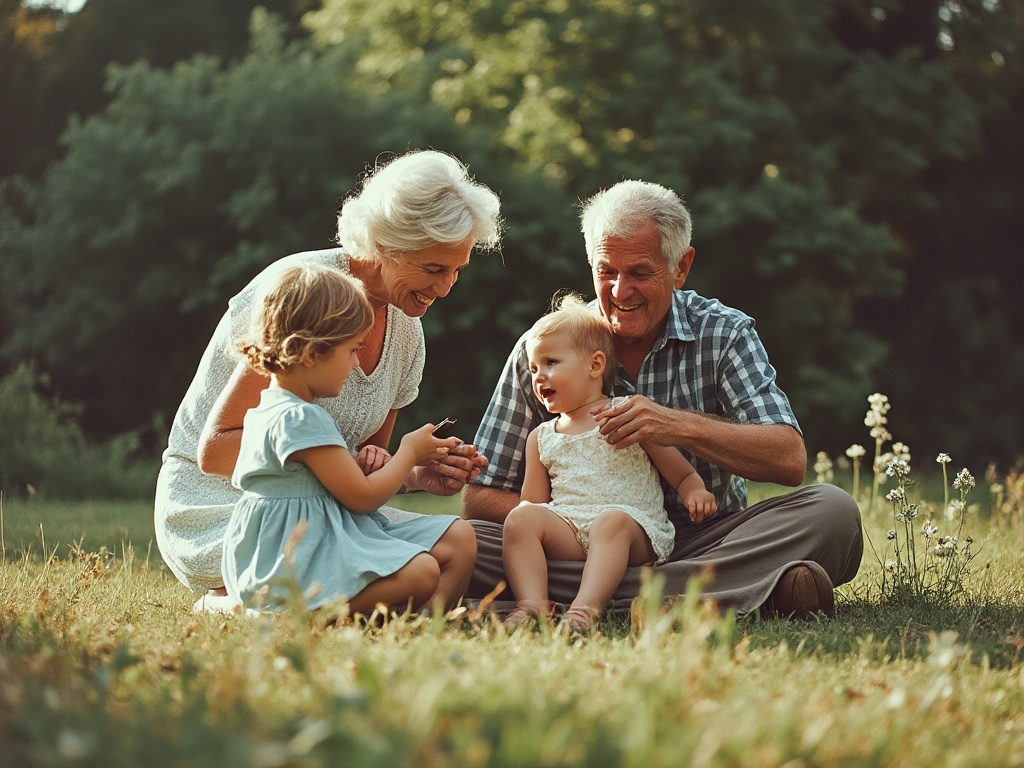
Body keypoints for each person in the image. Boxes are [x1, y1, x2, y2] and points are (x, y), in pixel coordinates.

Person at [463, 180, 863, 619]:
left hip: (710, 535)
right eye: (606, 271)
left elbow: (789, 459)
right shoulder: (546, 349)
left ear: (681, 266)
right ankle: (741, 590)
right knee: (469, 541)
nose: (619, 291)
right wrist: (573, 522)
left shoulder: (724, 334)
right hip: (580, 546)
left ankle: (606, 598)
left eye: (639, 272)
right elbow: (481, 497)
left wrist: (676, 426)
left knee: (833, 512)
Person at [155, 150, 500, 609]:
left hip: (329, 509)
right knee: (411, 571)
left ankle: (343, 609)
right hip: (235, 507)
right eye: (434, 268)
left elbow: (361, 468)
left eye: (457, 270)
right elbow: (216, 452)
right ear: (384, 244)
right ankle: (237, 605)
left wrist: (415, 474)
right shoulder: (304, 293)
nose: (445, 288)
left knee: (452, 547)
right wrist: (361, 474)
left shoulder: (407, 333)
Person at [221, 265, 471, 613]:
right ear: (311, 354)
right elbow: (362, 497)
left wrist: (412, 474)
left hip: (325, 538)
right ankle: (290, 616)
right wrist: (409, 452)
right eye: (351, 350)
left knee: (460, 538)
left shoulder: (277, 410)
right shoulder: (300, 418)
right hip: (298, 561)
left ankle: (417, 621)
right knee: (422, 572)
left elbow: (338, 486)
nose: (356, 364)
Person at [502, 294, 717, 632]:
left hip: (632, 527)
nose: (539, 376)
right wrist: (527, 522)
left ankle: (584, 611)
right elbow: (534, 503)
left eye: (551, 362)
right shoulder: (541, 437)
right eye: (533, 368)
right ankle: (531, 604)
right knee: (519, 518)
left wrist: (694, 490)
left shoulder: (626, 413)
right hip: (572, 528)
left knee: (609, 523)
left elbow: (679, 469)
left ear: (595, 365)